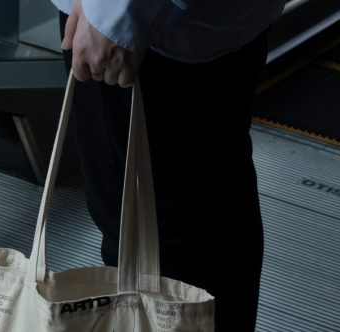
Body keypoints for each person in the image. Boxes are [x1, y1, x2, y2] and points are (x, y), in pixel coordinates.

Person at [51, 0, 286, 330]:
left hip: (148, 34)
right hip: (218, 23)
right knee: (219, 199)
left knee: (146, 235)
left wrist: (114, 14)